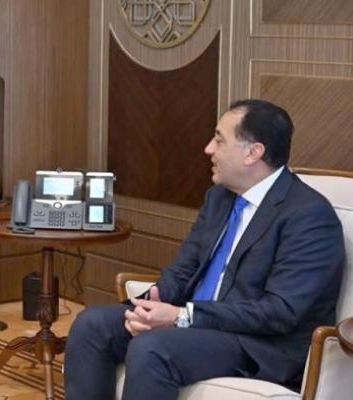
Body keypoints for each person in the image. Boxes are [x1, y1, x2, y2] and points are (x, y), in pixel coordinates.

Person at [64, 99, 345, 399]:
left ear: (253, 152)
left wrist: (182, 316)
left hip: (260, 344)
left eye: (219, 140)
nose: (208, 149)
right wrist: (150, 304)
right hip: (200, 324)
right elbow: (184, 269)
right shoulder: (219, 197)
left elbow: (279, 312)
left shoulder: (308, 215)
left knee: (153, 348)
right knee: (91, 325)